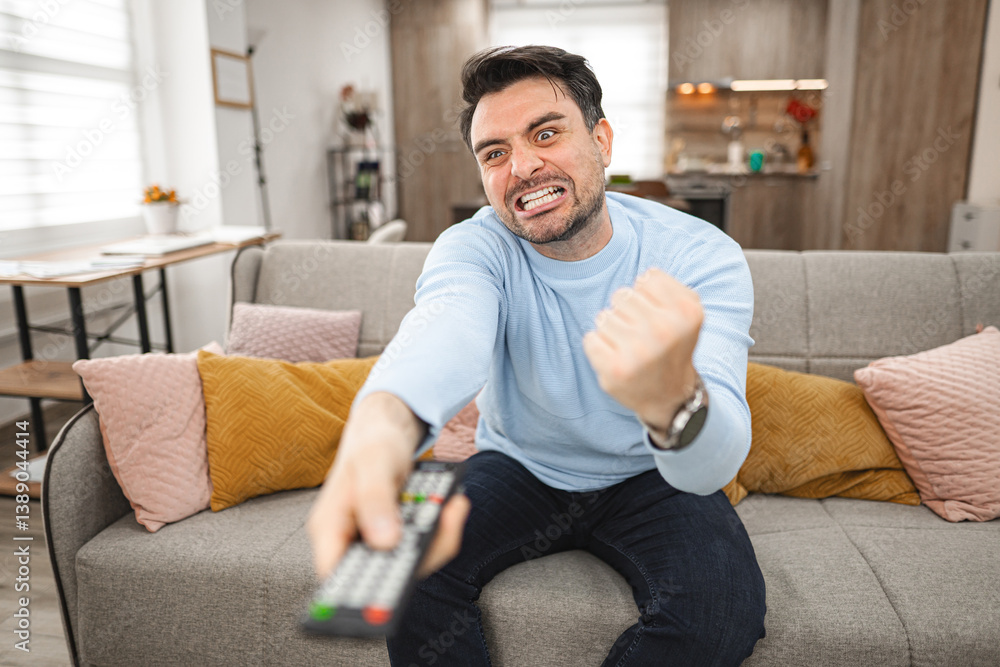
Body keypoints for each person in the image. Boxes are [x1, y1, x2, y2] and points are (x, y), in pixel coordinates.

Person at [308, 45, 766, 666]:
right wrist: (381, 427)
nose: (522, 166)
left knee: (724, 610)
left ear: (602, 140)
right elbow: (447, 329)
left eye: (545, 133)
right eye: (494, 153)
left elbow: (709, 466)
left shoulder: (697, 256)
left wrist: (671, 403)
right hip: (519, 465)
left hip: (651, 476)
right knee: (392, 567)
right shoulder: (476, 247)